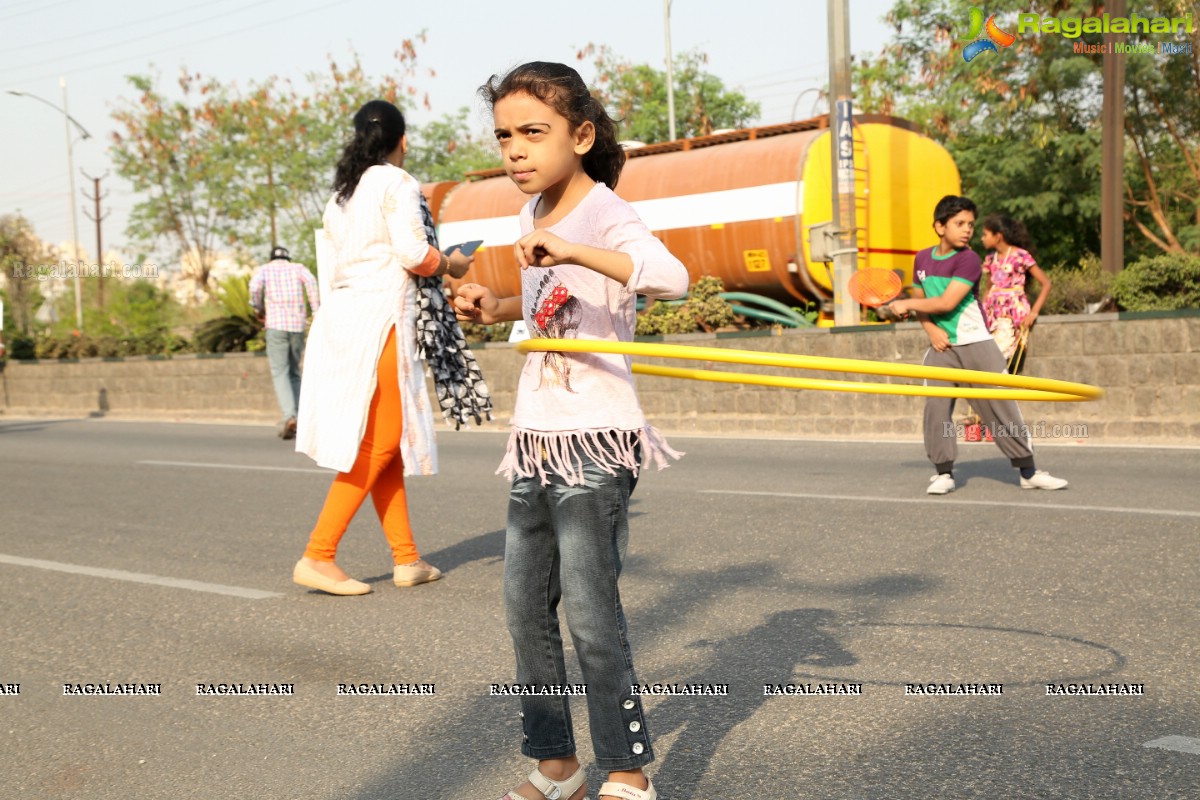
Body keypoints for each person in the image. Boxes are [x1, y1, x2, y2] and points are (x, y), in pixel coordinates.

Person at [453, 62, 688, 800]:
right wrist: (492, 308)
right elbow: (550, 315)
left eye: (533, 132)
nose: (515, 150)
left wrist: (572, 247)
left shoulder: (603, 212)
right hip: (537, 437)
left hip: (594, 438)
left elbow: (668, 276)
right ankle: (556, 764)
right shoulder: (529, 218)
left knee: (592, 615)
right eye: (503, 136)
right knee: (524, 610)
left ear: (580, 136)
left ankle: (627, 770)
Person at [291, 99, 473, 596]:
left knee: (384, 442)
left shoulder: (341, 195)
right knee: (381, 440)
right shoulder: (397, 182)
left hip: (343, 318)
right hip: (382, 319)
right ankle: (319, 553)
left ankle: (406, 558)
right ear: (402, 139)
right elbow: (414, 254)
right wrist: (452, 265)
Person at [888, 195, 1068, 496]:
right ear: (939, 226)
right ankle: (944, 472)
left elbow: (946, 302)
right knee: (936, 408)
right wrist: (931, 331)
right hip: (941, 346)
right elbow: (923, 304)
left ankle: (1028, 471)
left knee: (999, 406)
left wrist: (905, 302)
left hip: (976, 342)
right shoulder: (921, 259)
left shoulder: (969, 259)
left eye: (971, 224)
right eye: (959, 223)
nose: (967, 230)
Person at [249, 245, 319, 440]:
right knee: (295, 371)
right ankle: (301, 419)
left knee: (280, 372)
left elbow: (254, 288)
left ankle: (289, 417)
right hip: (297, 326)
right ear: (288, 257)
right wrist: (316, 311)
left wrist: (258, 307)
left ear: (271, 258)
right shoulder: (298, 268)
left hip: (276, 326)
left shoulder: (265, 269)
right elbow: (312, 283)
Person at [979, 213, 1053, 368]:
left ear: (998, 236)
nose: (982, 238)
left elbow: (1046, 283)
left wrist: (1033, 312)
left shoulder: (1021, 255)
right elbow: (988, 289)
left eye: (985, 234)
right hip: (993, 313)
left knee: (1010, 358)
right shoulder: (989, 259)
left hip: (1014, 312)